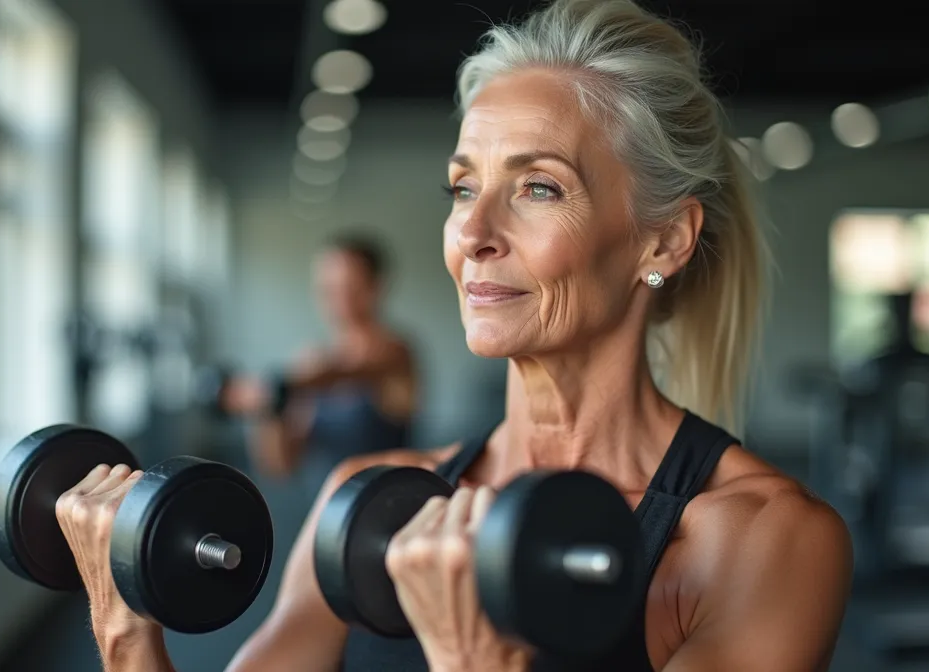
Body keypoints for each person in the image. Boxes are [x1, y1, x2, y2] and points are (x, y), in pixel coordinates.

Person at [55, 1, 853, 670]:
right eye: (464, 187)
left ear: (665, 241)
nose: (472, 231)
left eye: (539, 188)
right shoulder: (366, 496)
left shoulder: (761, 539)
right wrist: (123, 628)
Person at [219, 233, 418, 492]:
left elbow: (342, 371)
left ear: (376, 287)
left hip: (388, 504)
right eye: (328, 288)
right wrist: (265, 406)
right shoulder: (309, 361)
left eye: (349, 287)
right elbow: (280, 465)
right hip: (328, 508)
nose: (337, 299)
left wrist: (282, 383)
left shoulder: (395, 353)